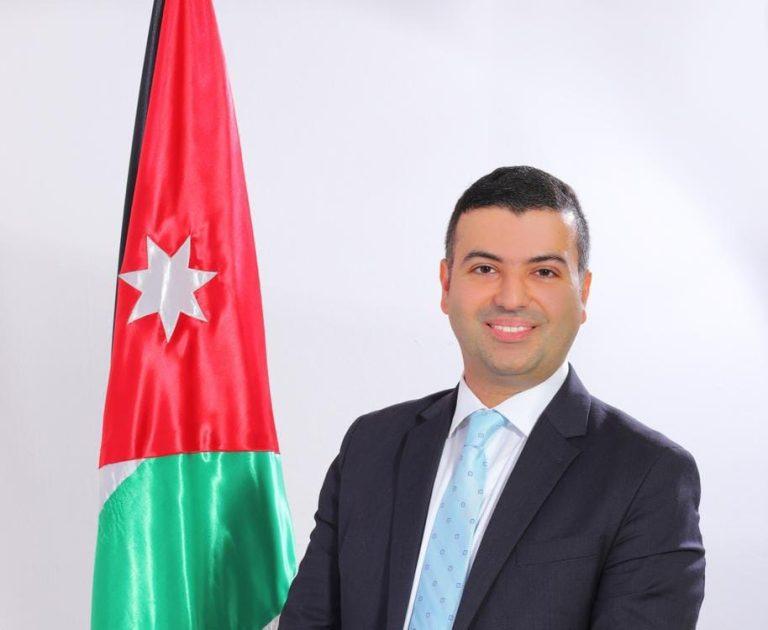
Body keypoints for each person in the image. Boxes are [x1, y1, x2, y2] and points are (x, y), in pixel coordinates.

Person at [279, 166, 705, 629]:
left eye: (543, 272)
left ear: (582, 292)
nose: (511, 297)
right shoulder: (371, 445)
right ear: (446, 284)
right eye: (485, 269)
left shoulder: (648, 475)